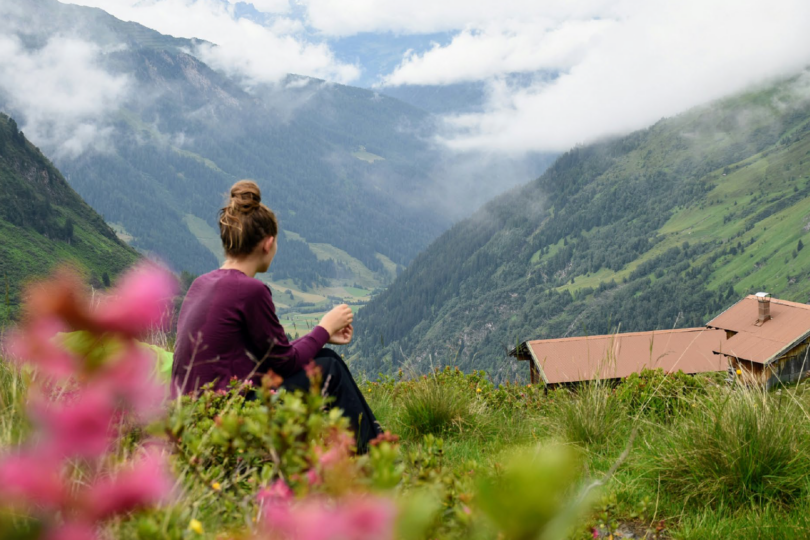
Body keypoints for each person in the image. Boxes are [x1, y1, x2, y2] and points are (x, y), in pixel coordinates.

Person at [172, 180, 381, 452]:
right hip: (227, 417)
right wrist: (324, 328)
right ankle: (376, 459)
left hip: (189, 418)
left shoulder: (201, 284)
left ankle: (370, 447)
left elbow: (272, 356)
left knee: (325, 358)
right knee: (331, 370)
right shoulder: (250, 290)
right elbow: (285, 363)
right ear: (268, 244)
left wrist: (322, 338)